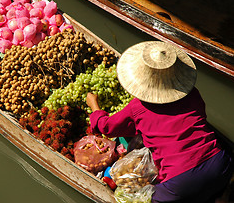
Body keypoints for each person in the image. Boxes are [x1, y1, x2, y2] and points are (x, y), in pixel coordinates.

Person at [86, 41, 233, 203]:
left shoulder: (138, 107)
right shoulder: (192, 94)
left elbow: (107, 127)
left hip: (181, 181)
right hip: (220, 164)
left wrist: (94, 104)